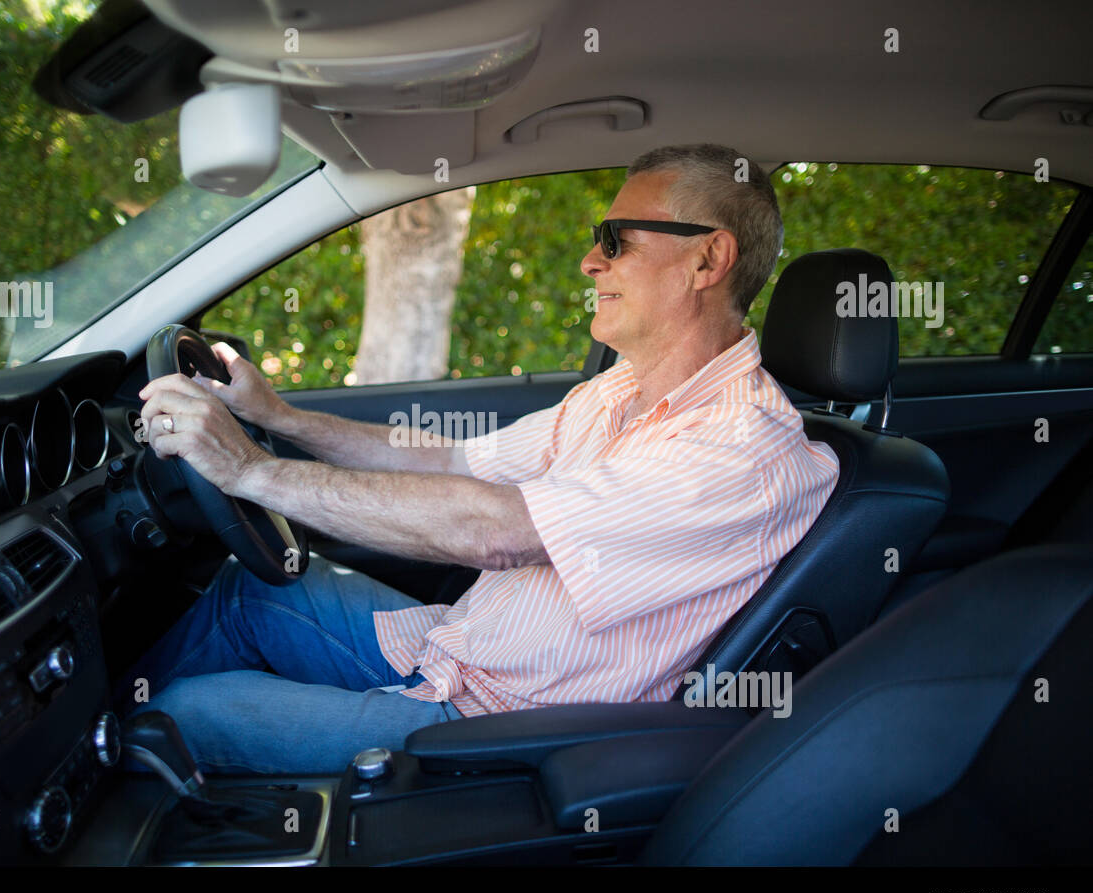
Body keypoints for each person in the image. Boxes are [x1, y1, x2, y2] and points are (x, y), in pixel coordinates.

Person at [120, 143, 839, 775]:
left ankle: (81, 795)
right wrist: (277, 419)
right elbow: (456, 464)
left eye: (616, 239)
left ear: (708, 258)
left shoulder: (740, 449)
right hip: (453, 652)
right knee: (251, 590)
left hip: (496, 729)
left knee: (183, 712)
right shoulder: (619, 391)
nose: (592, 260)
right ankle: (103, 751)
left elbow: (494, 530)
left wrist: (249, 471)